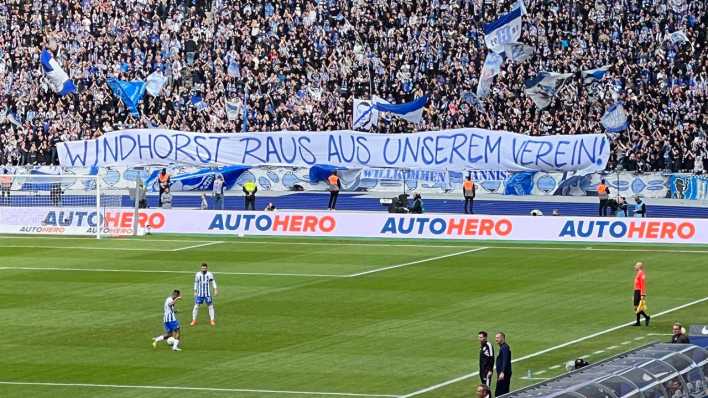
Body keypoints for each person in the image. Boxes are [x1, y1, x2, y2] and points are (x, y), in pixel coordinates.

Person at [632, 262, 651, 326]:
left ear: (639, 267)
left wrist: (642, 294)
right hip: (636, 291)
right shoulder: (638, 273)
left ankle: (646, 317)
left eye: (636, 265)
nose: (634, 267)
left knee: (637, 307)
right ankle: (638, 322)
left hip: (639, 292)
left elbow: (642, 285)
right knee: (636, 307)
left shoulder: (641, 274)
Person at [495, 332, 512, 396]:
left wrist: (502, 372)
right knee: (501, 392)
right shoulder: (503, 347)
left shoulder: (505, 347)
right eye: (496, 338)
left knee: (500, 393)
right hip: (503, 374)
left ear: (502, 338)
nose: (496, 339)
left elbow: (505, 360)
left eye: (498, 338)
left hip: (504, 374)